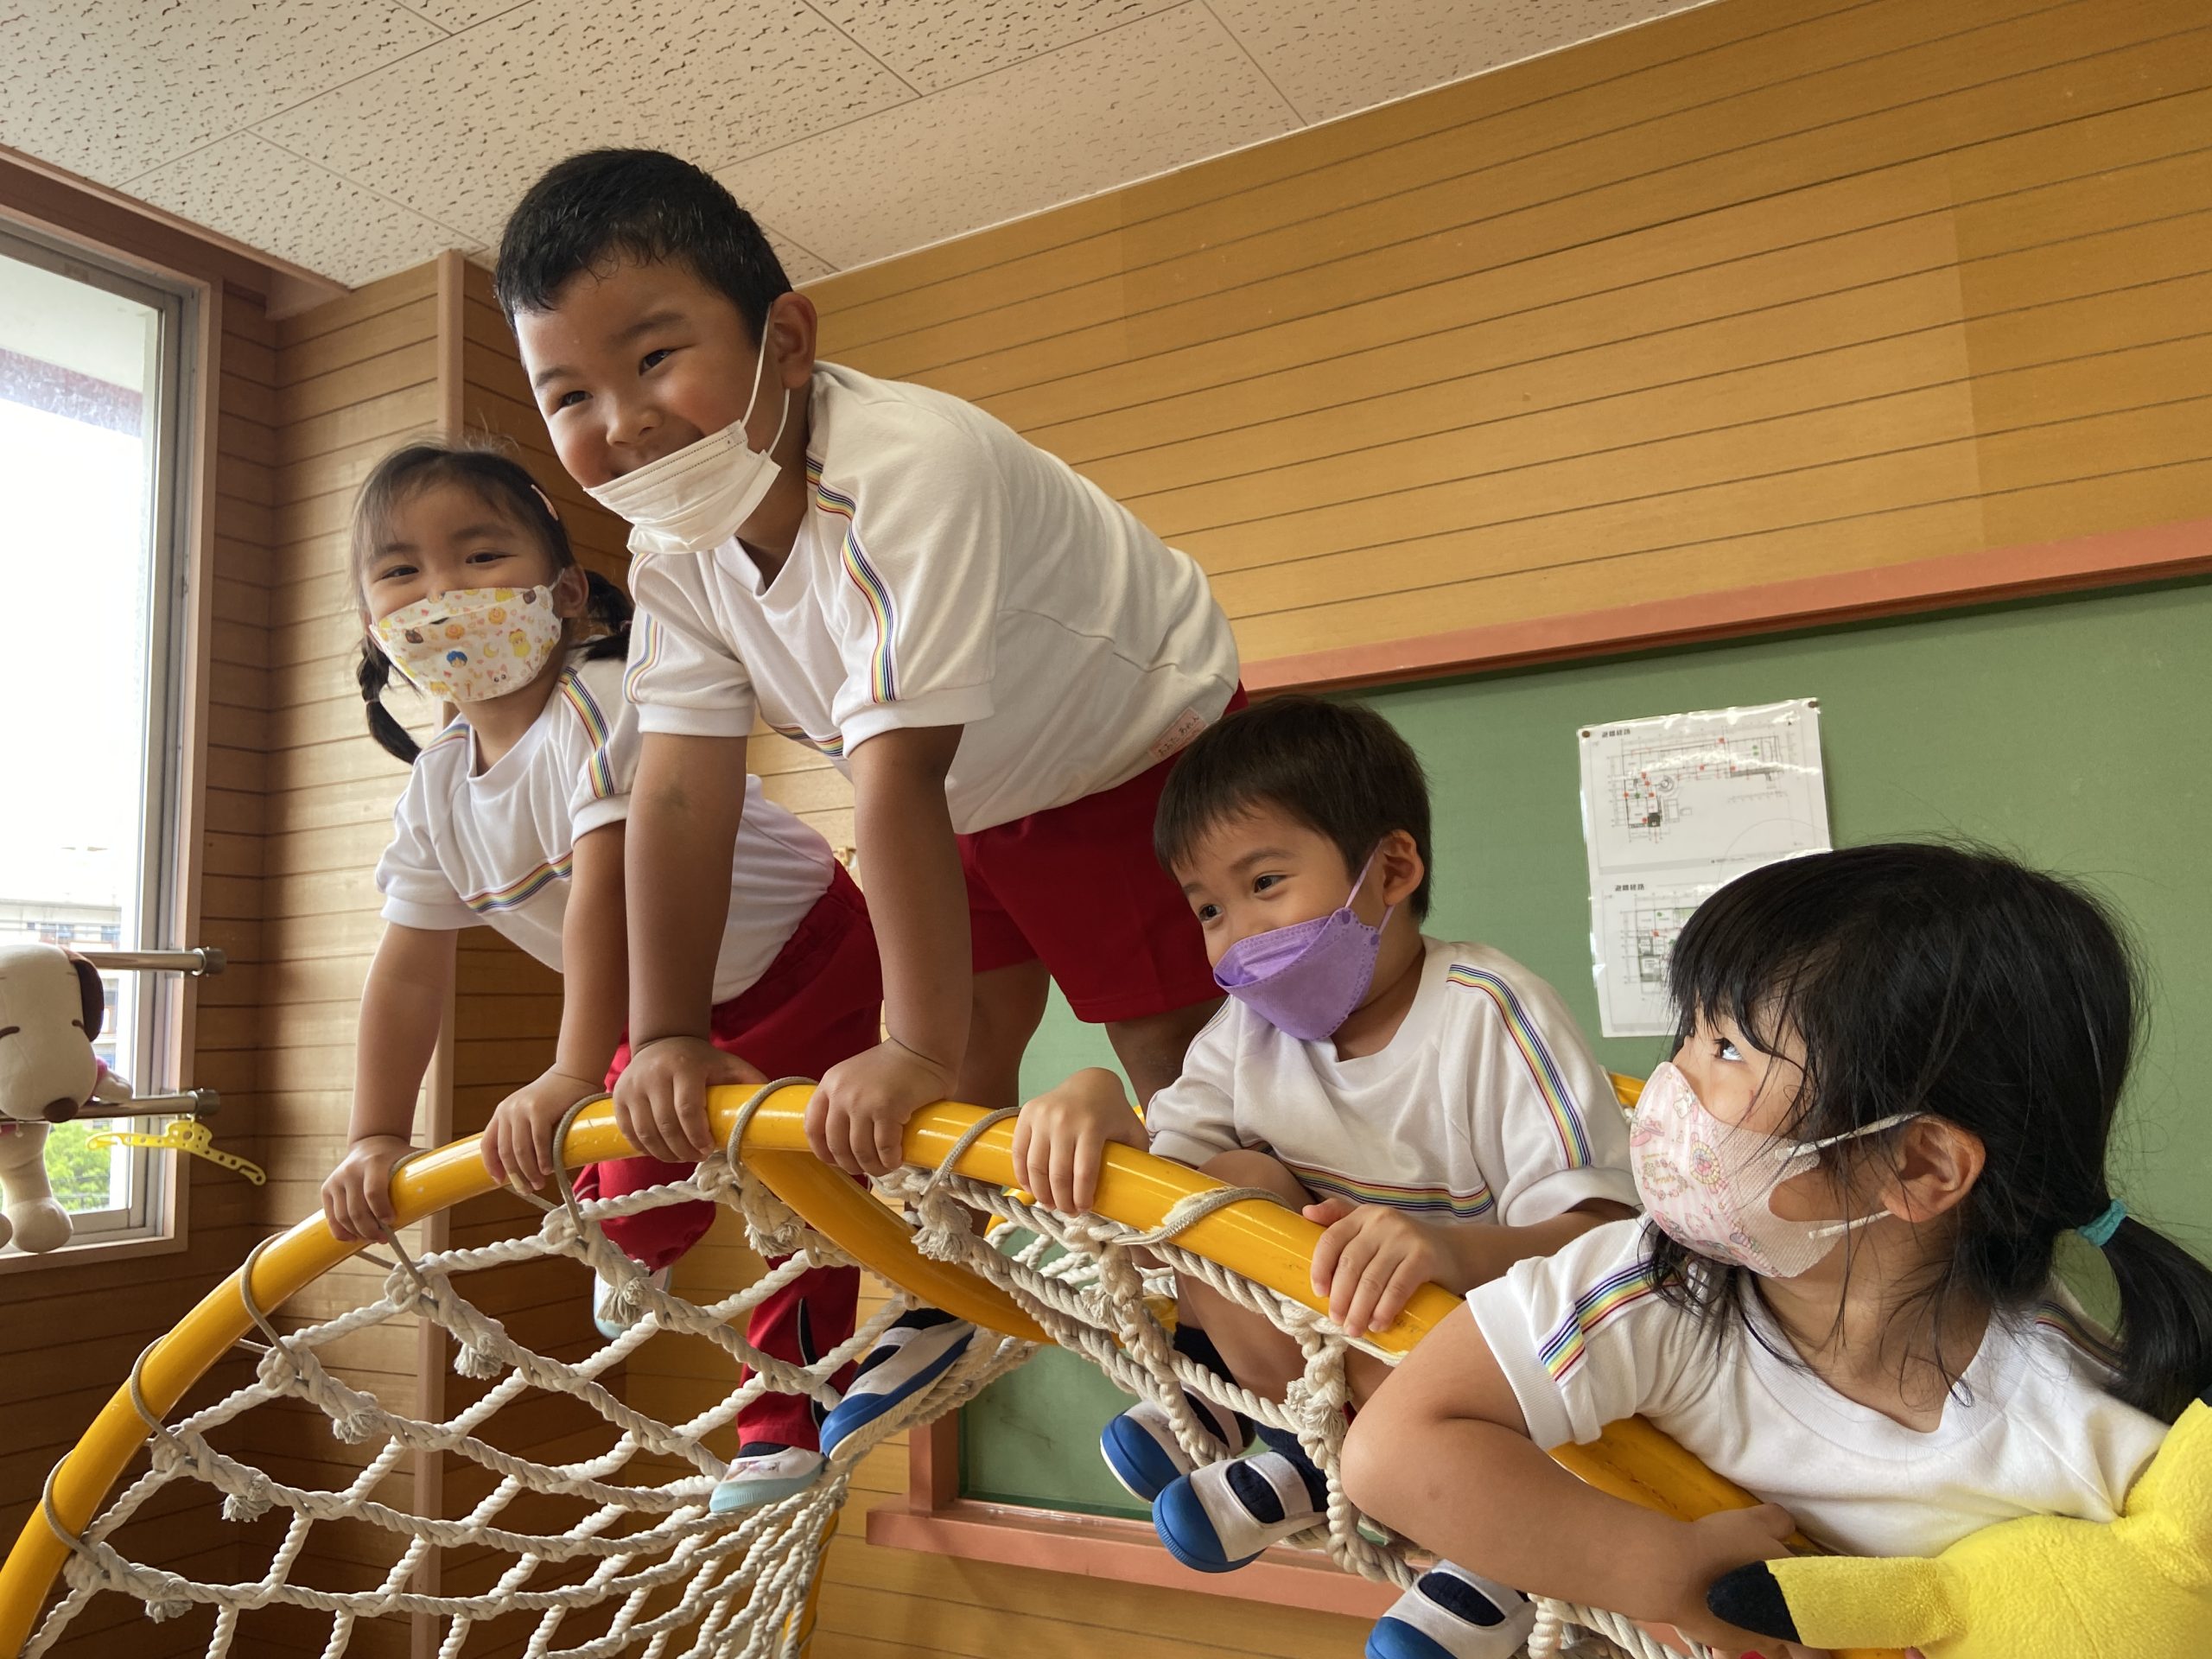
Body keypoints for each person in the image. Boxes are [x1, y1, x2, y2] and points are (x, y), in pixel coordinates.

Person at [493, 148, 1243, 1451]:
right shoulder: (673, 548)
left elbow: (892, 772)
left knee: (1184, 1089)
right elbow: (675, 793)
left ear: (786, 340)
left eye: (657, 359)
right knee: (955, 1092)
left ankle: (1235, 1371)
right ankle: (965, 1283)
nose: (624, 423)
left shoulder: (906, 469)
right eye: (569, 394)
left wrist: (902, 1042)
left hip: (1135, 759)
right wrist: (664, 1029)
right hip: (968, 797)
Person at [1343, 842, 2212, 1659]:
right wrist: (1658, 1568)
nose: (1673, 1082)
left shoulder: (2081, 1412)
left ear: (1917, 1164)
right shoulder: (1656, 1284)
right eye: (1687, 1030)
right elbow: (1396, 1449)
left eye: (1726, 1048)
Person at [318, 440, 880, 1512]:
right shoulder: (435, 788)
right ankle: (640, 1247)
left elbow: (609, 890)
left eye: (479, 555)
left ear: (568, 596)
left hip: (807, 949)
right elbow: (404, 971)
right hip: (660, 996)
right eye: (400, 573)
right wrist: (374, 1134)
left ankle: (785, 1427)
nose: (440, 593)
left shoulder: (608, 697)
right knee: (626, 1179)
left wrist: (575, 1067)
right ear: (370, 623)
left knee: (805, 1203)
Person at [1014, 696, 1637, 1659]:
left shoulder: (1489, 1011)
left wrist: (1447, 1249)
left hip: (1494, 1396)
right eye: (1210, 909)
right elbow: (1158, 1184)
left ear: (1391, 869)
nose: (1237, 936)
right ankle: (1293, 1440)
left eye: (1266, 882)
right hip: (1322, 1371)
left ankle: (1503, 1542)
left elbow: (1605, 1242)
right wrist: (1095, 1096)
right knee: (1220, 1179)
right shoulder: (1243, 1037)